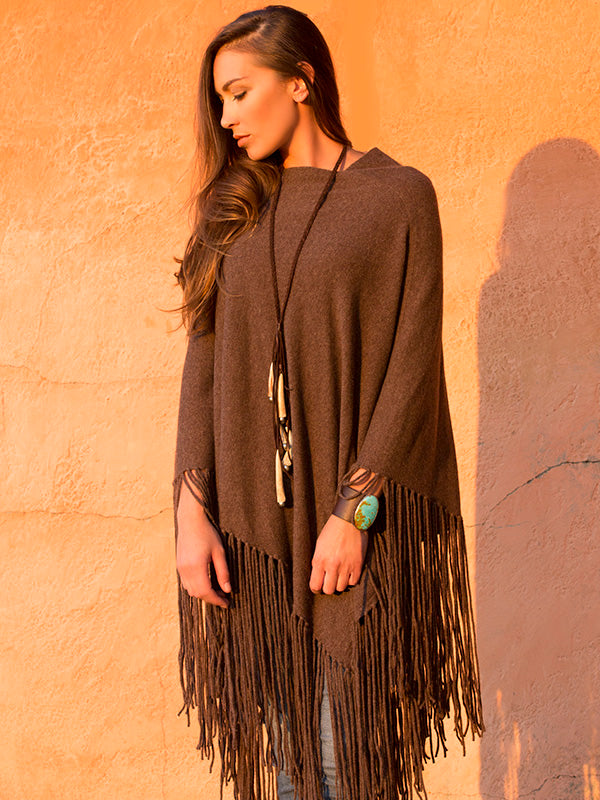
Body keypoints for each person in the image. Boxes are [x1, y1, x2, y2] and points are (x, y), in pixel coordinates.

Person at [171, 6, 484, 800]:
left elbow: (411, 367)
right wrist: (190, 510)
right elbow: (203, 366)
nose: (226, 117)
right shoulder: (231, 210)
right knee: (290, 769)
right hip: (256, 535)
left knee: (349, 763)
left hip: (355, 525)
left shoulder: (397, 197)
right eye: (219, 100)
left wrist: (356, 511)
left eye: (240, 92)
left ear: (301, 82)